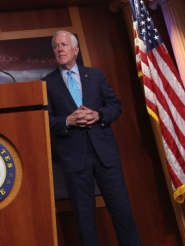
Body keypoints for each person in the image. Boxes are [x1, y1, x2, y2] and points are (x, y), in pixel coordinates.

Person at [43, 30, 140, 246]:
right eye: (56, 46)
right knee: (85, 220)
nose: (60, 49)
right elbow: (44, 120)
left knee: (122, 212)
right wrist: (68, 120)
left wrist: (99, 115)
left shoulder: (96, 76)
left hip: (105, 156)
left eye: (64, 45)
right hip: (74, 160)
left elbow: (115, 105)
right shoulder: (46, 83)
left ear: (76, 50)